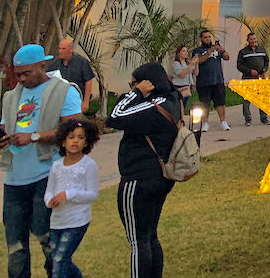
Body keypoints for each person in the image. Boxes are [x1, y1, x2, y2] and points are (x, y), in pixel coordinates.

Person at [0, 43, 83, 278]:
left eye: (27, 73)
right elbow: (8, 127)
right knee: (16, 249)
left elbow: (74, 131)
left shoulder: (64, 90)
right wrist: (3, 138)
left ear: (43, 65)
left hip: (47, 176)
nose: (22, 79)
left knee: (47, 241)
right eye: (18, 74)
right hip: (14, 179)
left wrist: (34, 137)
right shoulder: (11, 96)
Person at [107, 62, 184, 278]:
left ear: (147, 84)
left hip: (139, 179)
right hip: (160, 176)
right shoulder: (173, 101)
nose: (131, 87)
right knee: (150, 235)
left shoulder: (154, 107)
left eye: (134, 83)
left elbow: (115, 116)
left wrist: (135, 93)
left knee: (137, 240)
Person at [44, 117, 101, 278]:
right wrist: (50, 201)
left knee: (60, 262)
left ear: (87, 142)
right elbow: (49, 192)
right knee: (58, 259)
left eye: (80, 137)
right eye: (71, 137)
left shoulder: (88, 165)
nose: (75, 141)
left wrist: (68, 194)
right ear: (63, 141)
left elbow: (92, 194)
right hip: (57, 222)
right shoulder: (56, 166)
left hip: (77, 221)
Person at [192, 29, 231, 130]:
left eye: (209, 37)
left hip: (217, 80)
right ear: (201, 39)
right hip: (203, 82)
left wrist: (221, 50)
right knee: (205, 103)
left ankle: (223, 121)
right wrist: (209, 51)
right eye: (205, 37)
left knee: (220, 102)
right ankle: (205, 123)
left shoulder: (217, 49)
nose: (208, 39)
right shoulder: (197, 51)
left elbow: (227, 57)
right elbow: (199, 61)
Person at [48, 38, 95, 109]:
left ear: (71, 50)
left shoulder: (82, 62)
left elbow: (88, 81)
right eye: (59, 48)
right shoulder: (54, 64)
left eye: (63, 49)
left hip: (76, 101)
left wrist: (86, 102)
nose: (60, 51)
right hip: (58, 102)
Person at [236, 32, 270, 126]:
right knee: (247, 99)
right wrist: (249, 71)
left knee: (262, 98)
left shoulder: (262, 49)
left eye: (254, 39)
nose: (253, 41)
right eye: (251, 39)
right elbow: (239, 66)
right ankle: (248, 119)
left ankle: (264, 118)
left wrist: (264, 69)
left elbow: (267, 61)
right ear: (248, 41)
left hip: (260, 78)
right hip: (248, 78)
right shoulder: (243, 52)